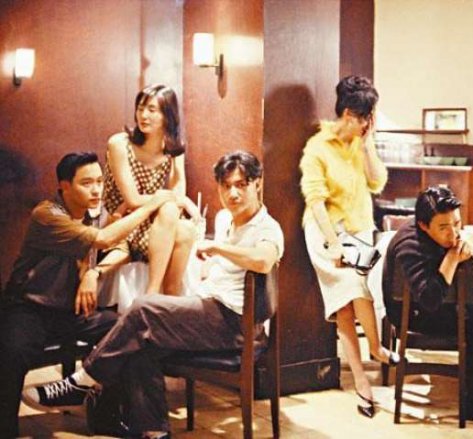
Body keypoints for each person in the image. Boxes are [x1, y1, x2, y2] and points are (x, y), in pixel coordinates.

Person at [22, 151, 284, 438]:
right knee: (139, 344)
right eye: (226, 185)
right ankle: (155, 431)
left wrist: (218, 249)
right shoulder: (225, 219)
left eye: (242, 185)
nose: (233, 193)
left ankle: (82, 381)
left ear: (258, 183)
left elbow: (263, 260)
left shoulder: (268, 228)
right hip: (213, 312)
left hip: (236, 324)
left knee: (143, 308)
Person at [0, 152, 176, 438]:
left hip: (70, 311)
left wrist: (95, 273)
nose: (96, 190)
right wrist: (152, 204)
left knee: (129, 330)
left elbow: (122, 247)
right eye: (87, 183)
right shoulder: (47, 215)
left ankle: (140, 425)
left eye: (99, 182)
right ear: (64, 187)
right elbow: (105, 239)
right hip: (28, 308)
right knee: (12, 351)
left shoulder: (98, 214)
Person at [300, 75, 398, 419]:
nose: (367, 124)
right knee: (353, 288)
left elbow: (377, 182)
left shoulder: (360, 143)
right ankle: (375, 352)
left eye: (370, 118)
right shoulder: (317, 148)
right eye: (364, 118)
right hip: (326, 232)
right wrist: (333, 245)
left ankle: (363, 379)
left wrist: (368, 145)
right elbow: (315, 201)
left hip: (360, 231)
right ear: (347, 114)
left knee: (348, 304)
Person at [382, 186, 473, 425]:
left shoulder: (432, 232)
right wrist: (452, 256)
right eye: (444, 227)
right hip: (412, 315)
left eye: (457, 223)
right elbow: (430, 299)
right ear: (423, 225)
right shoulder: (410, 246)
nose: (453, 233)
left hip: (427, 306)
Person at [104, 84, 198, 296]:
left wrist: (176, 201)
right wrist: (170, 200)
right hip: (124, 221)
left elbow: (179, 194)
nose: (143, 115)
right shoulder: (120, 143)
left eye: (152, 110)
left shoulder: (173, 148)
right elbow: (132, 199)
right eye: (140, 108)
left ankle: (168, 297)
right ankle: (153, 292)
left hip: (152, 219)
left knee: (186, 229)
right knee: (170, 208)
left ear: (167, 115)